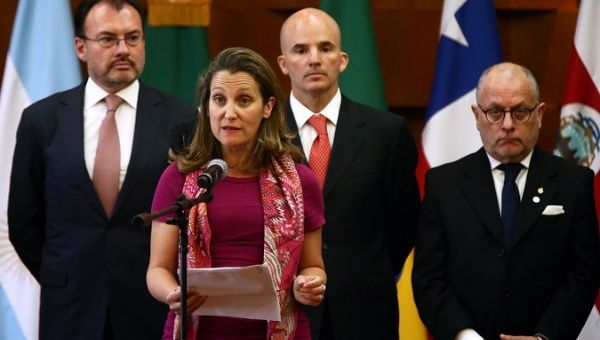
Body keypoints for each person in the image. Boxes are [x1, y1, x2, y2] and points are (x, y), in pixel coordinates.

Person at [7, 0, 197, 339]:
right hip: (69, 305)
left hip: (150, 306)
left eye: (133, 38)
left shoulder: (181, 119)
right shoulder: (42, 120)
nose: (123, 49)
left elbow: (193, 218)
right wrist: (62, 273)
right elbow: (25, 221)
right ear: (80, 47)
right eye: (108, 39)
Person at [146, 47, 327, 340]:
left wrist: (309, 285)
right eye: (219, 100)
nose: (229, 113)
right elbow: (157, 270)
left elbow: (314, 266)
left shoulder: (299, 181)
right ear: (206, 107)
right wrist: (172, 294)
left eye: (244, 100)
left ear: (267, 107)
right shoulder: (178, 178)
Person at [412, 62, 600, 340]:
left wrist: (544, 337)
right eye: (495, 112)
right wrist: (465, 335)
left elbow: (582, 275)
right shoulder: (444, 184)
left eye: (521, 112)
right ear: (477, 116)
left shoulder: (574, 183)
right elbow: (429, 278)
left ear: (539, 115)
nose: (508, 125)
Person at [277, 8, 421, 340]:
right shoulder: (261, 136)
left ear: (342, 60)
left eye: (325, 49)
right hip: (283, 310)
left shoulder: (387, 133)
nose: (314, 59)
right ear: (284, 63)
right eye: (301, 50)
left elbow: (404, 224)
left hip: (365, 311)